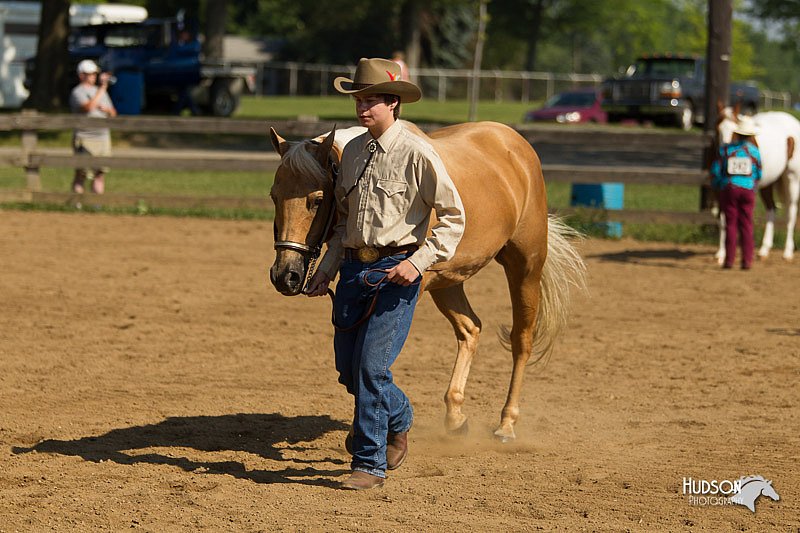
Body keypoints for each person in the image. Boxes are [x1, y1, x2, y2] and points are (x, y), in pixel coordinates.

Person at [305, 57, 465, 490]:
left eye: (372, 100)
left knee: (371, 369)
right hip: (354, 271)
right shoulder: (353, 152)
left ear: (393, 103)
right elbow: (342, 223)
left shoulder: (418, 152)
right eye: (359, 99)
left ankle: (368, 463)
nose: (363, 107)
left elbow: (453, 217)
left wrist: (418, 262)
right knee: (348, 371)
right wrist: (327, 270)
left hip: (398, 272)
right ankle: (400, 416)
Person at [710, 115, 762, 269]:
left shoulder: (726, 150)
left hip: (730, 188)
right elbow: (759, 173)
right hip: (748, 190)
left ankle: (729, 260)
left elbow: (716, 170)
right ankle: (747, 260)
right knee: (746, 224)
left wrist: (719, 184)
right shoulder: (754, 152)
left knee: (730, 224)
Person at [69, 59, 117, 194]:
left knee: (99, 174)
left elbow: (113, 112)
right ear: (81, 75)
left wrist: (107, 110)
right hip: (84, 138)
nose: (93, 76)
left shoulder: (100, 91)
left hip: (102, 138)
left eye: (94, 74)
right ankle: (77, 203)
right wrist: (102, 89)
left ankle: (97, 205)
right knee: (81, 174)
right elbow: (87, 108)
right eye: (89, 74)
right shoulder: (78, 92)